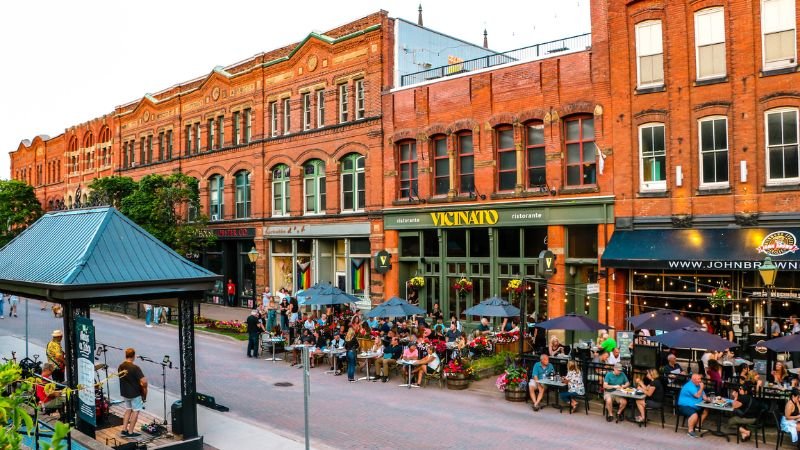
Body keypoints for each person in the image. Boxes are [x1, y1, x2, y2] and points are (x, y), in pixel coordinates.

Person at [118, 348, 148, 438]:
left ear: (126, 355)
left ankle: (124, 430)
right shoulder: (135, 368)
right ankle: (130, 432)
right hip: (134, 393)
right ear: (134, 356)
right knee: (135, 411)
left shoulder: (120, 366)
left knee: (128, 409)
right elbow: (144, 381)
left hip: (125, 393)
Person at [677, 373, 709, 438]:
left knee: (706, 410)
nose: (700, 381)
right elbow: (697, 396)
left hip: (696, 405)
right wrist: (702, 387)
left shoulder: (698, 385)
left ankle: (697, 425)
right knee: (694, 415)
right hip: (685, 406)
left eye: (700, 379)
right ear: (693, 380)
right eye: (698, 379)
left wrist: (710, 400)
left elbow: (704, 397)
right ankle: (690, 431)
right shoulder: (690, 386)